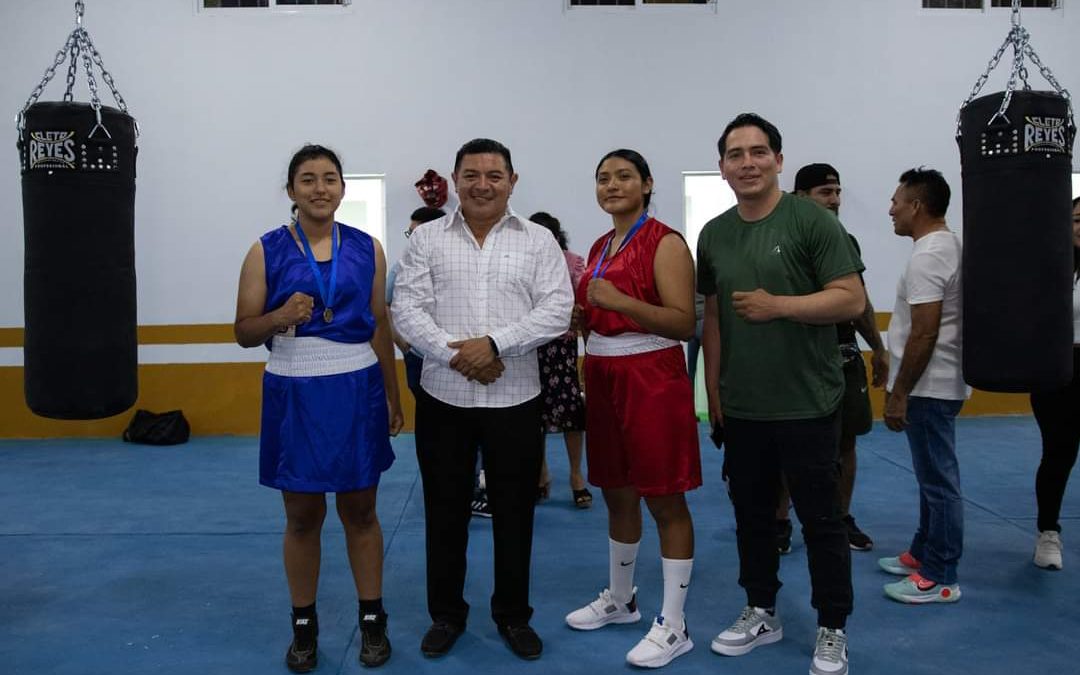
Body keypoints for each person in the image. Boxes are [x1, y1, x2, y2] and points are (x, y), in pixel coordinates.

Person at [392, 138, 573, 661]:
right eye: (471, 174)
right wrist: (458, 357)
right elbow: (407, 310)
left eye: (494, 175)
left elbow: (556, 311)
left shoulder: (538, 241)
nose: (482, 184)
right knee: (444, 511)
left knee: (516, 513)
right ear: (454, 180)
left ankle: (513, 616)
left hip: (515, 397)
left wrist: (494, 345)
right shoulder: (426, 240)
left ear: (512, 182)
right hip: (443, 398)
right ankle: (446, 615)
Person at [698, 114, 864, 675]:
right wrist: (714, 388)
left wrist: (781, 306)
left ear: (778, 160)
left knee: (822, 522)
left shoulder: (813, 222)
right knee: (752, 518)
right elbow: (715, 315)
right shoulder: (714, 234)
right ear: (722, 167)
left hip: (809, 403)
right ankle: (761, 609)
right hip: (744, 406)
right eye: (736, 154)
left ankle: (832, 626)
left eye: (759, 152)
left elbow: (850, 299)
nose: (748, 162)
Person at [233, 144, 403, 671]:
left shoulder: (367, 248)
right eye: (307, 179)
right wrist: (280, 314)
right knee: (302, 516)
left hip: (355, 387)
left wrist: (394, 396)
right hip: (293, 389)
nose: (320, 188)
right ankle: (303, 626)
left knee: (360, 511)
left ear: (343, 188)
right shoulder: (265, 250)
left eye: (330, 178)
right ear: (291, 191)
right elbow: (243, 331)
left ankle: (372, 619)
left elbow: (379, 324)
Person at [564, 149, 700, 669]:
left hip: (651, 377)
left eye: (623, 176)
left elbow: (683, 323)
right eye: (603, 178)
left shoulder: (664, 241)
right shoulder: (601, 245)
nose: (612, 185)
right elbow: (604, 308)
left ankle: (674, 623)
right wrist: (586, 317)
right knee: (616, 493)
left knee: (665, 498)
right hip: (603, 374)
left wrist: (619, 303)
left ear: (647, 183)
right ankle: (622, 599)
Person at [773, 163, 888, 554]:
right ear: (801, 196)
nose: (834, 199)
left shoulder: (844, 239)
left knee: (847, 442)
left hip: (843, 356)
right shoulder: (779, 239)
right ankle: (780, 520)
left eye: (837, 191)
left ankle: (840, 517)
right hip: (794, 357)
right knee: (790, 444)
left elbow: (859, 301)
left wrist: (879, 348)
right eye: (825, 192)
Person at [878, 168, 971, 604]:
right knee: (929, 476)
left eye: (897, 201)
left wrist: (900, 391)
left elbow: (925, 332)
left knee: (938, 481)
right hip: (937, 382)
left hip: (929, 386)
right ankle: (923, 551)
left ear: (916, 206)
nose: (891, 209)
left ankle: (941, 575)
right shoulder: (949, 246)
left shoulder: (929, 256)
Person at [1031, 196, 1080, 570]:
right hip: (1059, 368)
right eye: (1077, 219)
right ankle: (1048, 532)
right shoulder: (1053, 267)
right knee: (1059, 451)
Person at [529, 211, 591, 508]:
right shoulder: (521, 262)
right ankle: (541, 474)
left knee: (571, 414)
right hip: (530, 347)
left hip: (563, 347)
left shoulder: (573, 262)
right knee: (533, 413)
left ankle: (577, 476)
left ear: (556, 237)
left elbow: (584, 303)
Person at [386, 206, 446, 397]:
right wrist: (402, 343)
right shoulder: (402, 267)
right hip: (418, 356)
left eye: (416, 234)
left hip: (454, 355)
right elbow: (384, 305)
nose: (412, 240)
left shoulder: (458, 263)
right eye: (409, 234)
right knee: (427, 416)